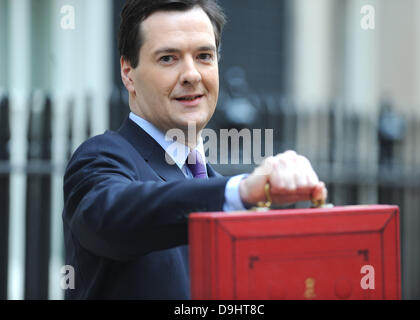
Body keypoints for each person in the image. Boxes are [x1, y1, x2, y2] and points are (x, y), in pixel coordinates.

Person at [62, 0, 327, 299]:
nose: (192, 74)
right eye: (168, 58)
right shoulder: (101, 158)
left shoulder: (211, 184)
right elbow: (108, 217)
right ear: (128, 73)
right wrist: (238, 192)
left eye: (204, 56)